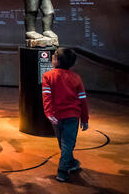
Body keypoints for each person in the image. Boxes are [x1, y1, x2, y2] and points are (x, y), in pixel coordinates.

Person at [42, 48, 89, 182]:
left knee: (65, 144)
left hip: (56, 117)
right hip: (72, 116)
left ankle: (62, 171)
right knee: (67, 144)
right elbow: (82, 100)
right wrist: (84, 119)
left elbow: (46, 97)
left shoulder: (48, 76)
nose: (52, 59)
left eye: (54, 57)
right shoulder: (76, 78)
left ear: (57, 61)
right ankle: (71, 163)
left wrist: (49, 113)